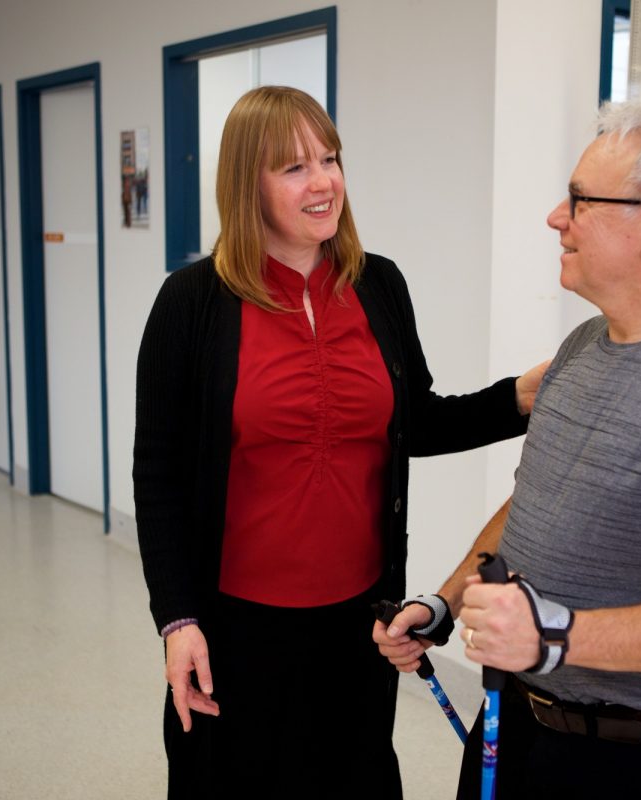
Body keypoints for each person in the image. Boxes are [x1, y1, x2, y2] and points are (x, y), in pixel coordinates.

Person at [375, 97, 641, 799]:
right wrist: (446, 605)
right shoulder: (581, 346)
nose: (554, 218)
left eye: (578, 200)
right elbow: (536, 504)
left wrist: (556, 635)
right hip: (517, 722)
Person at [133, 85, 547, 799]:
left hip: (359, 619)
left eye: (330, 159)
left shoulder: (377, 285)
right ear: (246, 183)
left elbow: (415, 421)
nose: (323, 181)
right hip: (236, 624)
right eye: (294, 167)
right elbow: (159, 474)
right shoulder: (192, 303)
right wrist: (178, 619)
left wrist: (519, 398)